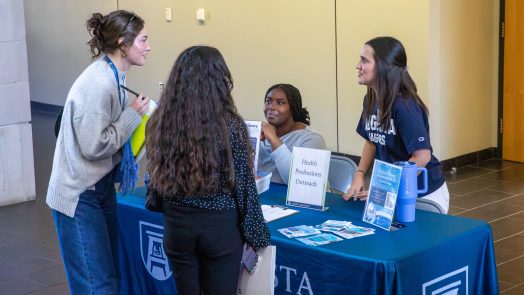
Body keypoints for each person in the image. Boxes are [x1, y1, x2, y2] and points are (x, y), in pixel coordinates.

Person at [145, 46, 271, 294]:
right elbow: (244, 185)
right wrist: (259, 235)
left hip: (177, 226)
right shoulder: (231, 126)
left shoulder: (160, 122)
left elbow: (157, 174)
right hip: (219, 229)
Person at [46, 10, 150, 293]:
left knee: (109, 276)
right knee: (97, 284)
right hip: (79, 193)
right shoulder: (100, 81)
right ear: (123, 43)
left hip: (98, 186)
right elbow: (94, 146)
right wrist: (132, 116)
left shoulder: (115, 75)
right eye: (143, 40)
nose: (148, 46)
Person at [343, 36, 449, 213]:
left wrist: (385, 190)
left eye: (364, 60)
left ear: (383, 67)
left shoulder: (405, 106)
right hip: (391, 190)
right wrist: (359, 174)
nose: (358, 66)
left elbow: (422, 157)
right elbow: (372, 140)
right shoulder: (370, 99)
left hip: (422, 195)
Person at [258, 83, 327, 184]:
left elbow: (300, 183)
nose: (271, 107)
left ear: (292, 109)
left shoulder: (312, 139)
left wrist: (274, 140)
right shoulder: (261, 134)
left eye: (280, 102)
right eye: (268, 101)